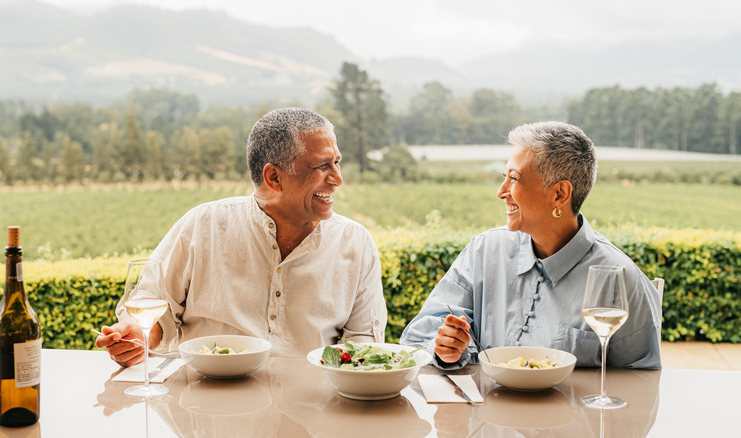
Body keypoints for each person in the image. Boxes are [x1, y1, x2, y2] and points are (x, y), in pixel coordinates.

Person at [96, 108, 387, 366]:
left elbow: (364, 347)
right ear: (273, 178)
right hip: (204, 410)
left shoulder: (356, 243)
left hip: (313, 415)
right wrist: (137, 335)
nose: (337, 178)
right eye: (323, 166)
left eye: (337, 162)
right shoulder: (203, 225)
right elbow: (154, 305)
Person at [399, 121, 661, 369]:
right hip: (483, 414)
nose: (501, 191)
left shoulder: (621, 278)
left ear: (559, 194)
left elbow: (641, 379)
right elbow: (421, 332)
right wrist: (445, 348)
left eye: (514, 178)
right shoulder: (484, 250)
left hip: (571, 417)